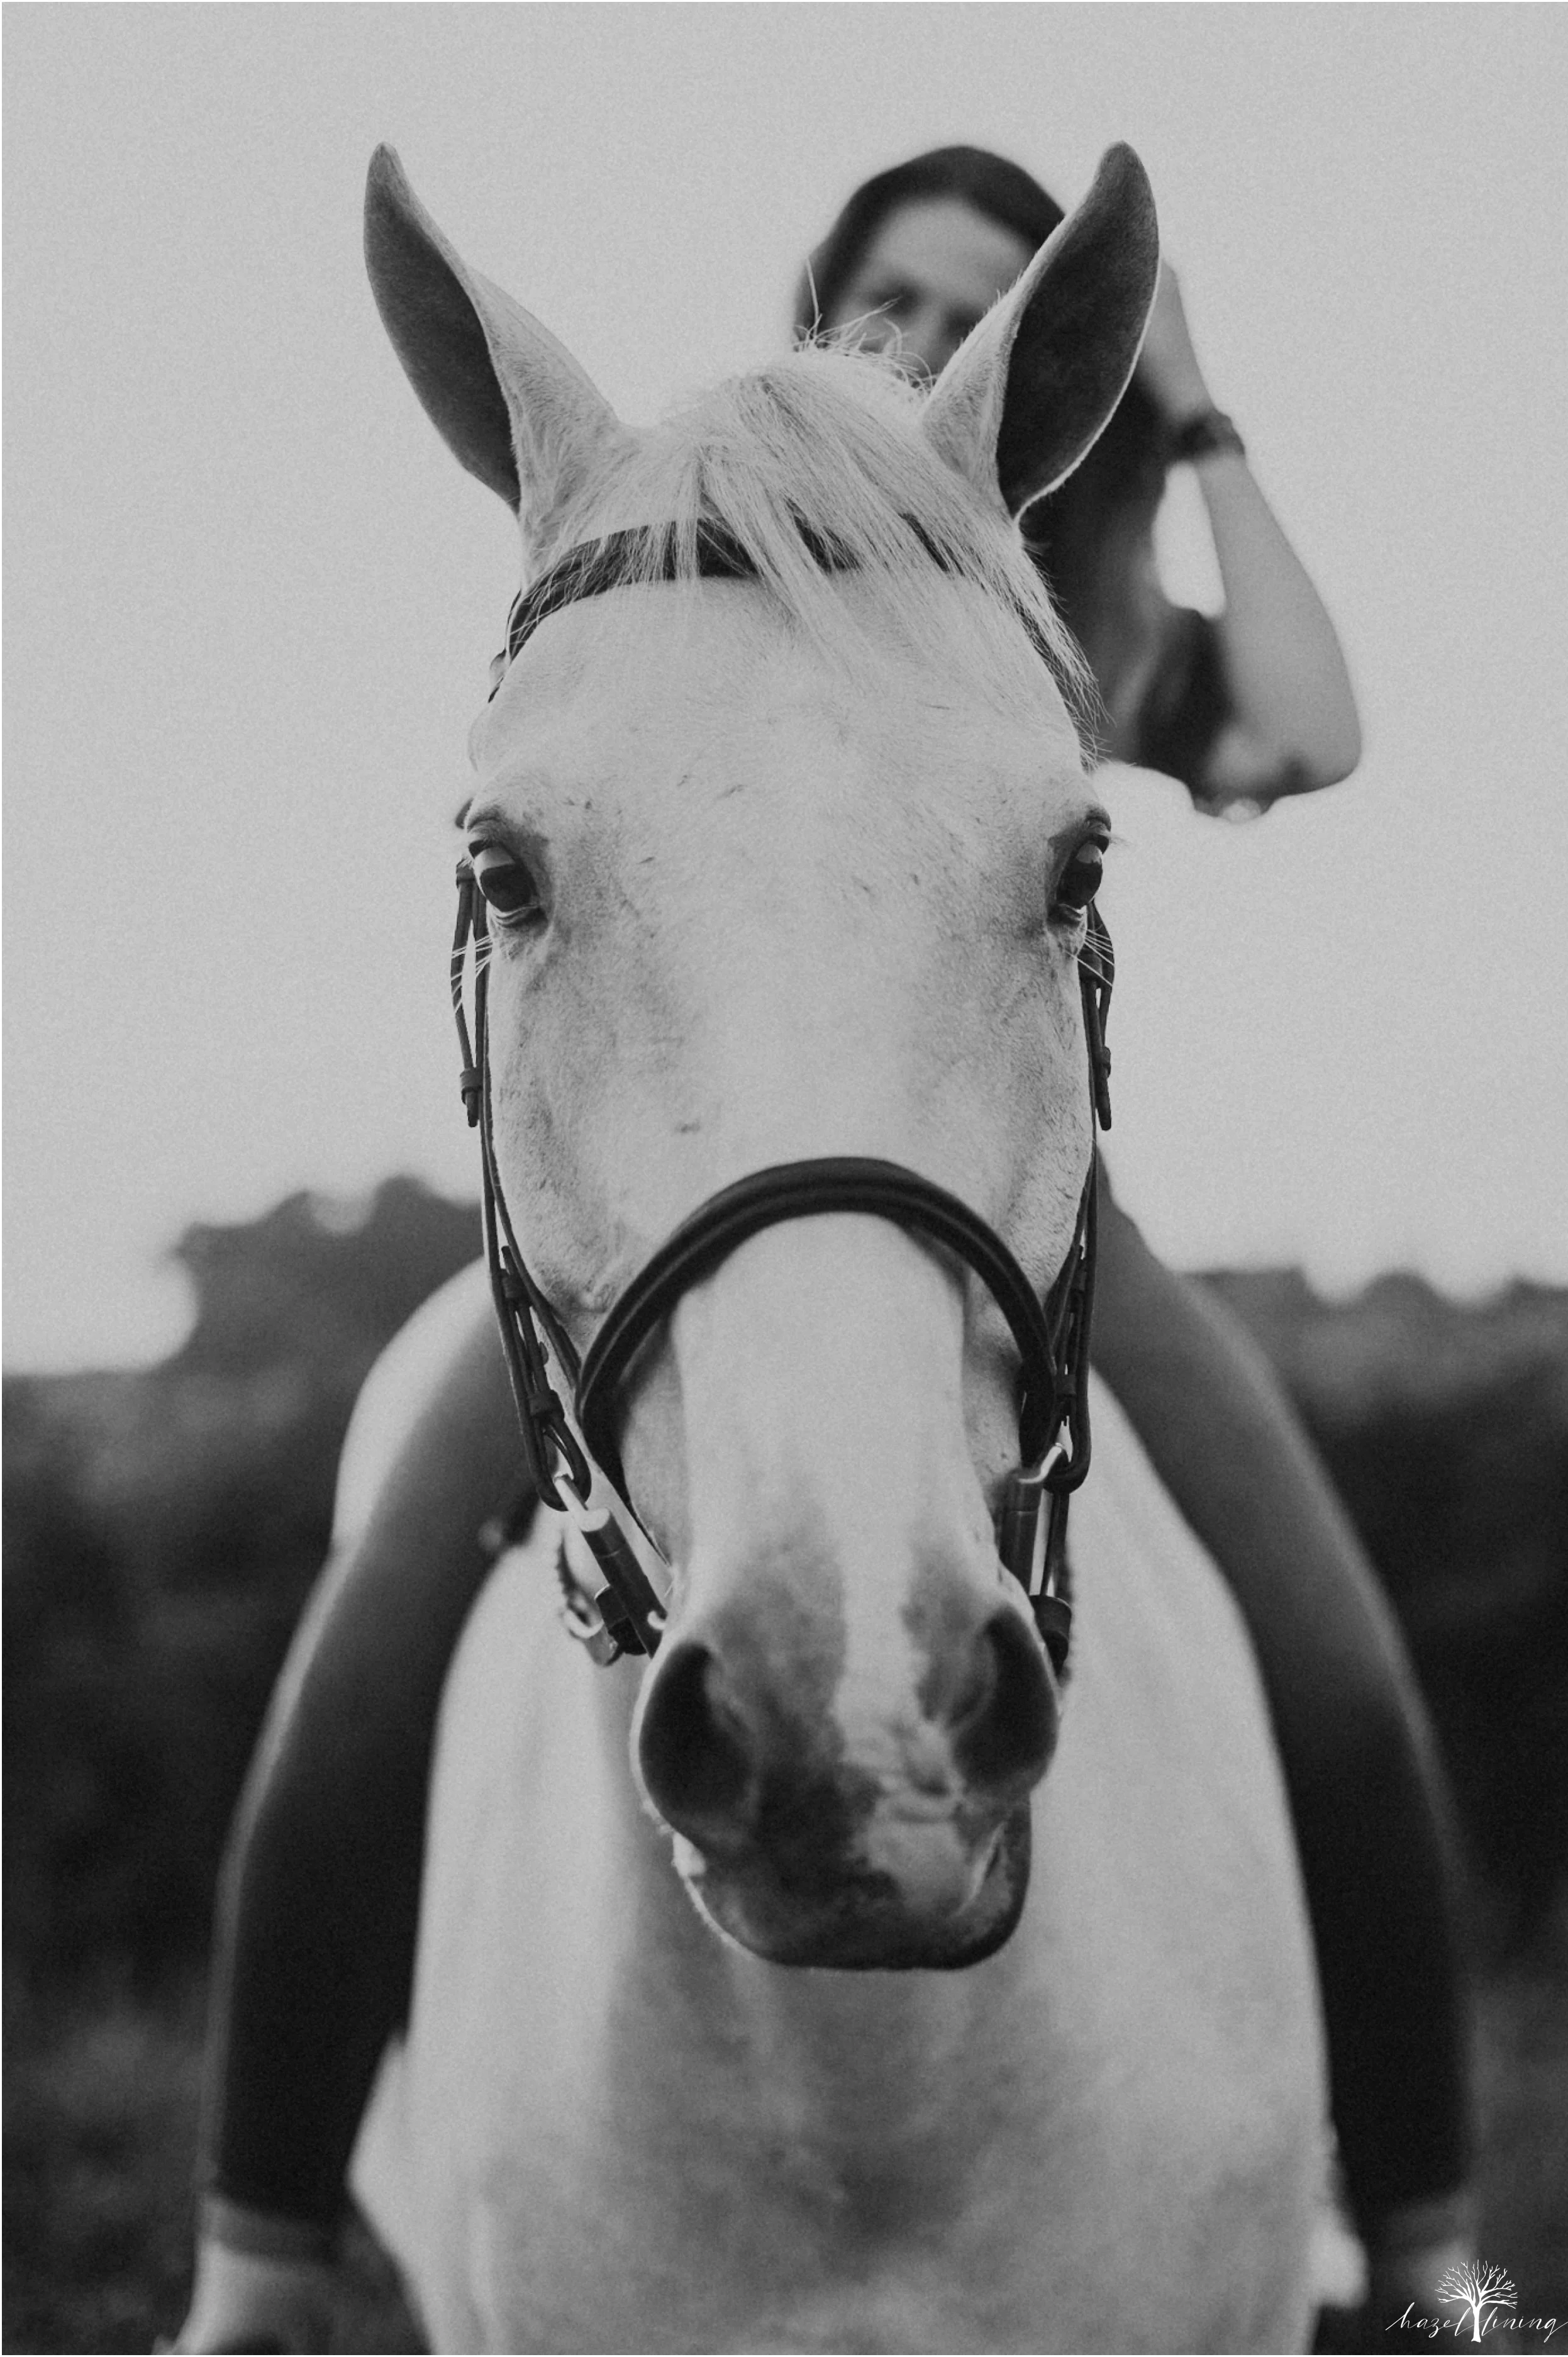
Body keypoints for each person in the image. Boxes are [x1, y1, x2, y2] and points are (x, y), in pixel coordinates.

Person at [176, 148, 1473, 2351]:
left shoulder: (1068, 605)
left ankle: (1430, 2249)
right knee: (371, 1647)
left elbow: (1310, 731)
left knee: (1336, 1673)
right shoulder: (681, 563)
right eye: (887, 292)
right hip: (675, 1197)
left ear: (1046, 369)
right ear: (818, 294)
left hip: (1012, 1210)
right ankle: (259, 2258)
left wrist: (1195, 415)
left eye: (978, 308)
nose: (916, 338)